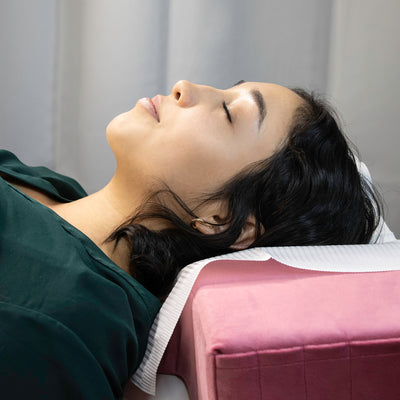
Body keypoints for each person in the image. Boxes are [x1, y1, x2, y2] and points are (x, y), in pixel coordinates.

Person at [0, 80, 381, 399]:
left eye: (230, 113)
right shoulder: (52, 188)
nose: (184, 87)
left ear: (222, 218)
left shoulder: (63, 319)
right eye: (225, 89)